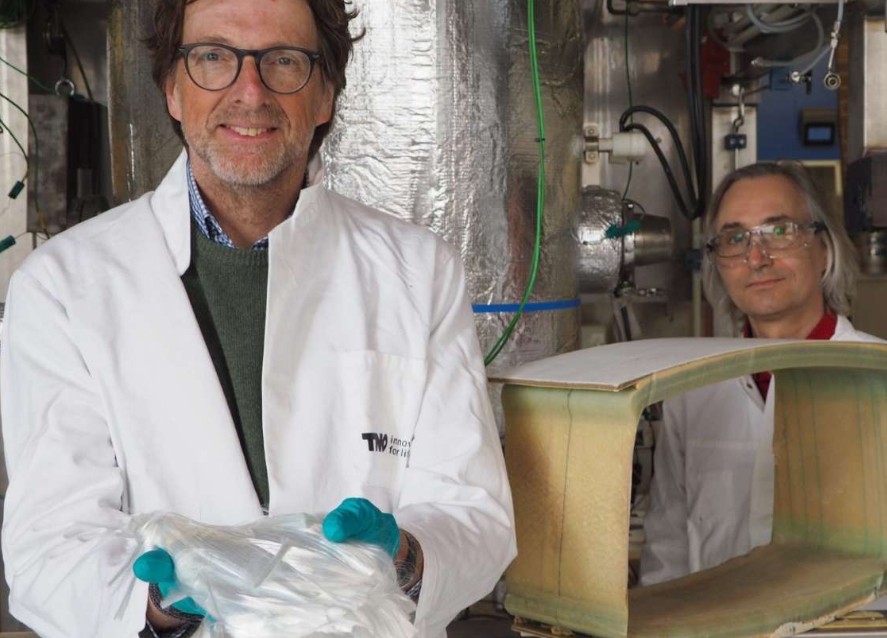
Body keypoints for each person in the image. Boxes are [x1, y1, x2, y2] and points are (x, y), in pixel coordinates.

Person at [0, 0, 516, 636]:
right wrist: (155, 607)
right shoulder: (62, 287)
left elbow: (473, 513)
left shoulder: (418, 272)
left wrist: (405, 557)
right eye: (213, 57)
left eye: (284, 61)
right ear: (172, 90)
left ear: (325, 95)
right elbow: (50, 545)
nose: (250, 92)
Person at [639, 161, 883, 586]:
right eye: (735, 239)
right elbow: (668, 548)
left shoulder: (878, 379)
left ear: (824, 248)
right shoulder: (694, 389)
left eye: (779, 231)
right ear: (717, 263)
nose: (756, 258)